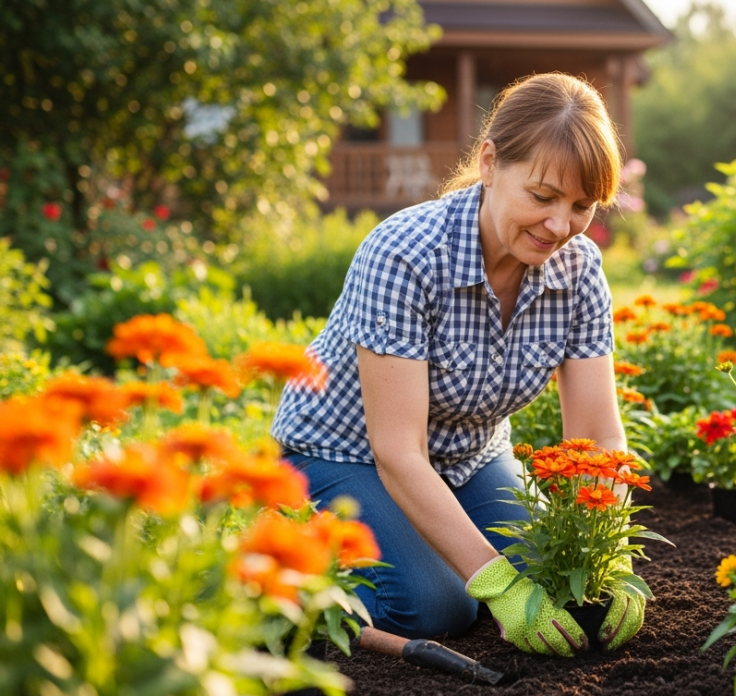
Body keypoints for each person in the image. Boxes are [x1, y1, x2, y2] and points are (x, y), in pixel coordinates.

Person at [271, 73, 643, 656]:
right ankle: (286, 563)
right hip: (345, 455)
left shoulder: (579, 268)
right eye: (542, 196)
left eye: (581, 206)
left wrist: (606, 557)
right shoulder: (406, 254)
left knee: (558, 575)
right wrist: (497, 584)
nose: (560, 227)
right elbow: (398, 452)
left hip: (471, 457)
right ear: (490, 163)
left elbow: (598, 436)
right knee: (438, 604)